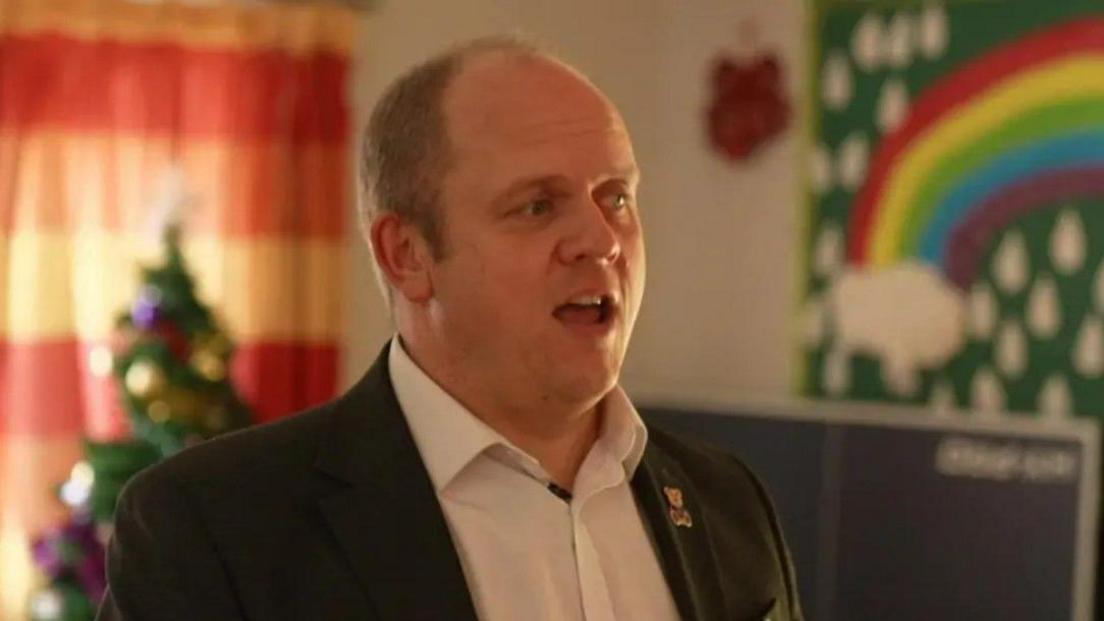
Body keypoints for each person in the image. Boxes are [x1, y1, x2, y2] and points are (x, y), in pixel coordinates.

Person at [97, 37, 802, 621]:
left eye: (615, 195)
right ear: (408, 256)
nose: (601, 237)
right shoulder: (213, 527)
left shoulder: (726, 499)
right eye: (537, 206)